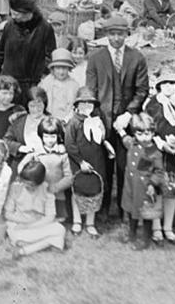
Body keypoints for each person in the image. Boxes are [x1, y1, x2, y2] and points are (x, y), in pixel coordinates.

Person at [86, 14, 149, 218]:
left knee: (126, 165)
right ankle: (102, 208)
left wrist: (129, 113)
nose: (116, 38)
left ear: (127, 35)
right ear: (106, 35)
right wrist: (94, 116)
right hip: (102, 120)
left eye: (120, 34)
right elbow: (90, 91)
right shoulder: (96, 58)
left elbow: (142, 90)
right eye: (111, 34)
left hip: (127, 123)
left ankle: (125, 209)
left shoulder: (136, 57)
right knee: (103, 165)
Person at [143, 71, 175, 243]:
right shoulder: (152, 104)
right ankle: (156, 227)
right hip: (156, 151)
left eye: (172, 84)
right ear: (159, 86)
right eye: (164, 84)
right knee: (156, 187)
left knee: (172, 189)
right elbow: (146, 127)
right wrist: (160, 143)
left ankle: (168, 227)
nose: (168, 87)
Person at [0, 0, 56, 104]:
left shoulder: (45, 28)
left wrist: (44, 77)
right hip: (10, 82)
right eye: (11, 13)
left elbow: (50, 56)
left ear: (28, 13)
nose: (13, 17)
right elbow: (0, 52)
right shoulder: (10, 26)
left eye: (16, 14)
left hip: (33, 83)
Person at [63, 87, 111, 237]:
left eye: (89, 104)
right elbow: (70, 145)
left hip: (96, 161)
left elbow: (102, 139)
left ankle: (90, 222)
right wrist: (80, 161)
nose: (86, 107)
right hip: (79, 163)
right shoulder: (74, 122)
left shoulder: (97, 121)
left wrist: (102, 130)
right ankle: (77, 221)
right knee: (78, 189)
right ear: (76, 106)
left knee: (94, 190)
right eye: (82, 104)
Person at [120, 112, 166, 248]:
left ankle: (146, 239)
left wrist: (152, 183)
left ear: (153, 133)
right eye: (140, 134)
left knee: (147, 214)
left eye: (148, 134)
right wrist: (120, 130)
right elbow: (125, 138)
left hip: (145, 188)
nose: (144, 138)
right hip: (130, 186)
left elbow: (159, 171)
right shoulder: (132, 143)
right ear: (135, 134)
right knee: (131, 210)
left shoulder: (153, 151)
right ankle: (132, 233)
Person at [3, 159, 66, 257]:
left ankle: (24, 250)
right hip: (19, 225)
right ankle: (46, 243)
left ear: (40, 182)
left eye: (31, 185)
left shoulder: (47, 189)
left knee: (60, 229)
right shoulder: (16, 187)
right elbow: (8, 214)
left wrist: (30, 225)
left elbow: (50, 217)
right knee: (13, 231)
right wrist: (23, 222)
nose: (26, 186)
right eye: (25, 182)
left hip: (38, 225)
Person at [38, 49, 80, 122]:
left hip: (67, 120)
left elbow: (75, 107)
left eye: (64, 68)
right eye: (58, 68)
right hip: (47, 119)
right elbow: (40, 102)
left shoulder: (74, 85)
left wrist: (66, 120)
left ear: (69, 69)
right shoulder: (46, 83)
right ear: (53, 69)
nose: (61, 72)